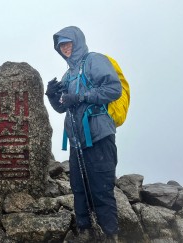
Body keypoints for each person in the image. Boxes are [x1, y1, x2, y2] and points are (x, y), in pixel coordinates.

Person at [46, 26, 122, 242]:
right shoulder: (68, 74)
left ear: (77, 41)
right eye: (62, 45)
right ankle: (85, 231)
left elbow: (113, 89)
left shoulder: (94, 61)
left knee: (101, 187)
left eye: (68, 43)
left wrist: (79, 97)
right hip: (76, 141)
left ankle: (110, 235)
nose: (65, 48)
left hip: (99, 137)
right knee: (78, 187)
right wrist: (52, 96)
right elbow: (62, 108)